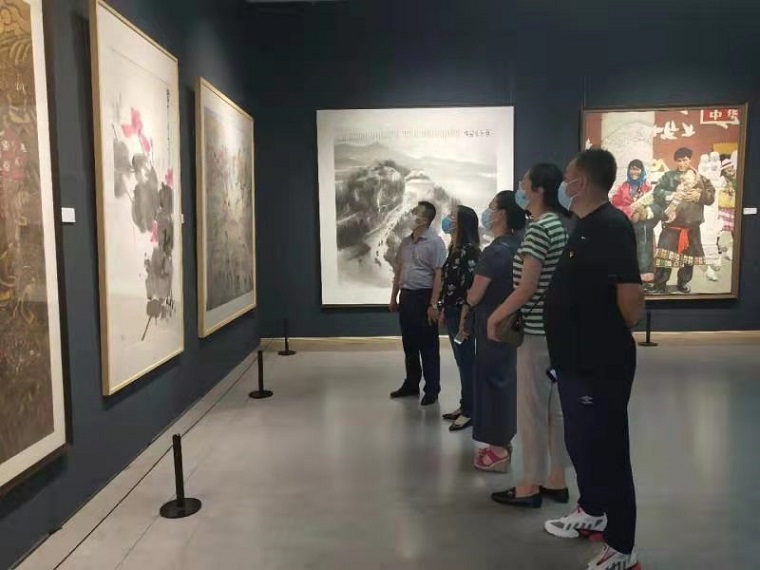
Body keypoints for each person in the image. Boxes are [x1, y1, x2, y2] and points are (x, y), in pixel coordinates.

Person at [543, 149, 644, 570]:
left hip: (599, 365)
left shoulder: (611, 226)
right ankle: (592, 510)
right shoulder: (582, 225)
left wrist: (597, 331)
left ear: (580, 183)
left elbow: (630, 301)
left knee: (606, 451)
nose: (563, 184)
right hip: (574, 363)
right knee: (580, 443)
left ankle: (622, 548)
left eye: (567, 177)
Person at [486, 164, 572, 508]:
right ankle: (557, 479)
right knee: (555, 410)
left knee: (532, 411)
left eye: (524, 185)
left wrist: (496, 316)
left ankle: (529, 485)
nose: (520, 190)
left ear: (538, 191)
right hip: (556, 331)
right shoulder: (559, 225)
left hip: (536, 333)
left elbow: (527, 287)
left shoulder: (538, 230)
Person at [466, 191, 526, 472]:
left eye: (491, 208)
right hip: (513, 326)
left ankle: (498, 451)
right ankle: (503, 442)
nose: (488, 213)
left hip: (492, 325)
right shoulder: (520, 245)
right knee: (505, 382)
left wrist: (466, 300)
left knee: (492, 385)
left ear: (502, 214)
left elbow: (475, 295)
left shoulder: (494, 252)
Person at [390, 201, 447, 406]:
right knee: (410, 344)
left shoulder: (435, 243)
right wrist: (394, 296)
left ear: (424, 219)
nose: (410, 213)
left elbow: (439, 275)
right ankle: (411, 383)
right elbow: (399, 270)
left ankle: (432, 389)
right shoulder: (406, 242)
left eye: (415, 212)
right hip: (407, 297)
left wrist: (433, 304)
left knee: (428, 346)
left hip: (424, 297)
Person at [438, 206, 481, 431]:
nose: (449, 219)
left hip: (463, 314)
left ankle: (470, 410)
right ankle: (466, 405)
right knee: (461, 361)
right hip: (452, 311)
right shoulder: (453, 249)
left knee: (466, 362)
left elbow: (469, 288)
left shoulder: (469, 251)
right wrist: (443, 308)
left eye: (453, 216)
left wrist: (464, 320)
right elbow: (448, 283)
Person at [651, 147, 716, 294]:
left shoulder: (701, 179)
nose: (682, 163)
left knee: (688, 260)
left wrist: (699, 196)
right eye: (679, 161)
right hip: (671, 226)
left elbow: (711, 198)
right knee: (664, 258)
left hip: (691, 227)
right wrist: (672, 194)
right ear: (675, 161)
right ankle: (660, 285)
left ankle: (683, 282)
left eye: (685, 160)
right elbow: (657, 192)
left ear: (690, 159)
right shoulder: (668, 176)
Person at [610, 159, 660, 289]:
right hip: (627, 226)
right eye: (632, 168)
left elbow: (656, 205)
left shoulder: (648, 187)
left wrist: (645, 212)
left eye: (637, 169)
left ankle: (645, 280)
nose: (634, 172)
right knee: (627, 252)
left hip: (644, 227)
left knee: (644, 252)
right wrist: (631, 212)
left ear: (642, 171)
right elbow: (615, 205)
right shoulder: (623, 187)